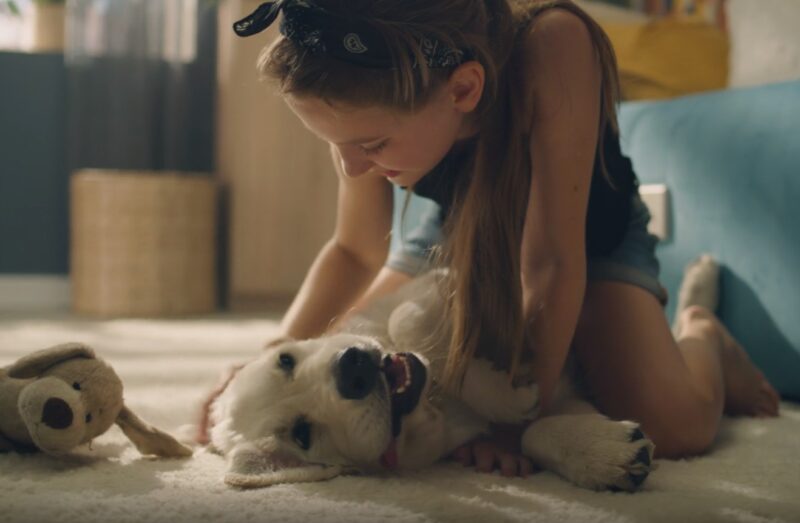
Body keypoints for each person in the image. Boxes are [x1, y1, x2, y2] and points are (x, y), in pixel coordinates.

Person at [199, 0, 780, 476]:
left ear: (463, 90)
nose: (352, 168)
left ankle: (705, 333)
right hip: (448, 232)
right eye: (336, 144)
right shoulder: (367, 96)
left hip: (587, 236)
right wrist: (271, 356)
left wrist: (519, 421)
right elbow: (353, 249)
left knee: (675, 428)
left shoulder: (554, 44)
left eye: (371, 146)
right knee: (365, 338)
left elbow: (551, 261)